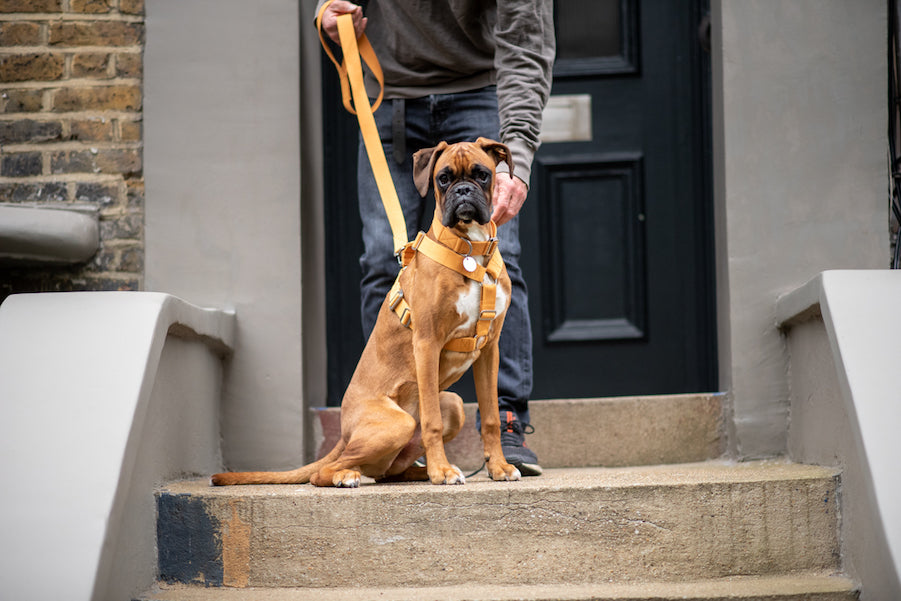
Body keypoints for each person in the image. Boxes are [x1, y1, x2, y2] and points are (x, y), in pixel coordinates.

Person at [317, 0, 555, 476]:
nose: (464, 191)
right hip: (390, 91)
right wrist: (326, 10)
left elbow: (526, 39)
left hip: (479, 85)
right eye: (451, 184)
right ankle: (395, 433)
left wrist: (518, 160)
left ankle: (507, 423)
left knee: (500, 259)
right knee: (385, 262)